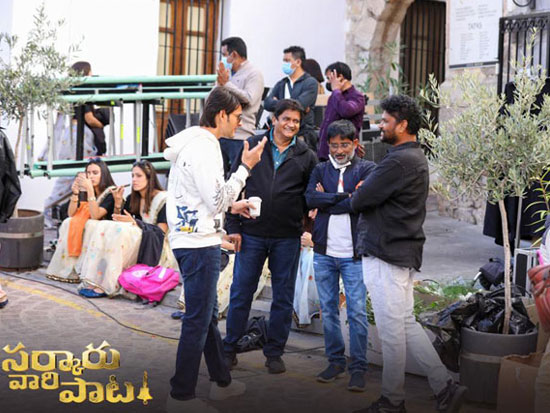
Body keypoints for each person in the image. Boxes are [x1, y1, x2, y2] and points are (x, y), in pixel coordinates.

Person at [350, 95, 466, 413]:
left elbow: (359, 200)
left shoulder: (399, 161)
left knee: (392, 331)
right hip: (398, 252)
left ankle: (392, 400)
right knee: (404, 323)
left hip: (387, 253)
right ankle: (444, 386)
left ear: (402, 125)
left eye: (386, 121)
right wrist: (365, 189)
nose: (380, 125)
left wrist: (362, 189)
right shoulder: (411, 158)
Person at [164, 86, 267, 413]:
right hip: (198, 243)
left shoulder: (192, 142)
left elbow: (203, 196)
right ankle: (180, 396)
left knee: (205, 315)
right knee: (198, 319)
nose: (240, 123)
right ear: (221, 114)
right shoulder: (206, 147)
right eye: (236, 116)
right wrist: (245, 167)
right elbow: (217, 199)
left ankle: (222, 382)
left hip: (190, 238)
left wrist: (232, 206)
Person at [223, 99, 318, 374]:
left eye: (296, 121)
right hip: (251, 234)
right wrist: (233, 226)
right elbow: (233, 187)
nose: (291, 125)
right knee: (241, 292)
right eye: (286, 119)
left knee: (283, 297)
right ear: (274, 119)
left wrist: (308, 229)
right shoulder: (253, 146)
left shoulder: (306, 155)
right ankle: (229, 349)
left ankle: (275, 353)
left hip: (287, 237)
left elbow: (311, 196)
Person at [305, 119, 375, 392]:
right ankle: (335, 362)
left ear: (355, 143)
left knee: (356, 312)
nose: (339, 150)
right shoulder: (320, 169)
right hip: (324, 252)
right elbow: (310, 199)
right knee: (329, 311)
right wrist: (346, 197)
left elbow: (362, 201)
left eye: (344, 144)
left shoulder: (367, 169)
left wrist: (329, 199)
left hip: (353, 255)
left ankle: (358, 368)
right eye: (334, 145)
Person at [77, 160, 176, 298]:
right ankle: (97, 280)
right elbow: (119, 222)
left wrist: (135, 222)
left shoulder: (163, 200)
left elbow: (160, 233)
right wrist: (118, 204)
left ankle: (108, 284)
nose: (134, 179)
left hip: (156, 247)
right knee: (104, 226)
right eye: (132, 176)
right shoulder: (132, 198)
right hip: (138, 240)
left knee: (120, 232)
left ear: (150, 178)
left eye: (139, 176)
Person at [42, 61, 109, 227]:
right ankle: (48, 209)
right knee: (74, 175)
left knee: (73, 175)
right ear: (86, 73)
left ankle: (52, 210)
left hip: (71, 135)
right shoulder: (83, 92)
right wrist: (102, 123)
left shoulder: (71, 90)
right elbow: (89, 119)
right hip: (79, 137)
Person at [46, 158, 116, 283]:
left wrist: (90, 191)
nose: (91, 176)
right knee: (68, 222)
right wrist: (75, 193)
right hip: (87, 232)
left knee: (90, 224)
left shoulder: (110, 193)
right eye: (88, 173)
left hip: (104, 234)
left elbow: (95, 215)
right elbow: (71, 213)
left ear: (104, 174)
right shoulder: (87, 191)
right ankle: (68, 268)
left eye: (95, 173)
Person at [217, 37, 265, 171]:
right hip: (221, 134)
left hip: (240, 136)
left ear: (234, 54)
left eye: (225, 55)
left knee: (238, 174)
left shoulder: (254, 74)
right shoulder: (227, 74)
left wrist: (226, 84)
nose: (223, 59)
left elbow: (248, 99)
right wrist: (219, 84)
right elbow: (213, 98)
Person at [263, 46, 319, 138]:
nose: (284, 64)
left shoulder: (310, 82)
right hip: (281, 132)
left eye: (287, 61)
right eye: (284, 61)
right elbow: (267, 103)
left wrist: (277, 103)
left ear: (298, 62)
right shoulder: (282, 83)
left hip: (302, 133)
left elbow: (300, 105)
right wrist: (291, 103)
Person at [318, 62, 365, 161]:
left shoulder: (356, 96)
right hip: (327, 152)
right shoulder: (334, 96)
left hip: (343, 154)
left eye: (329, 78)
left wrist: (336, 91)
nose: (328, 82)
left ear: (340, 77)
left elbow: (346, 111)